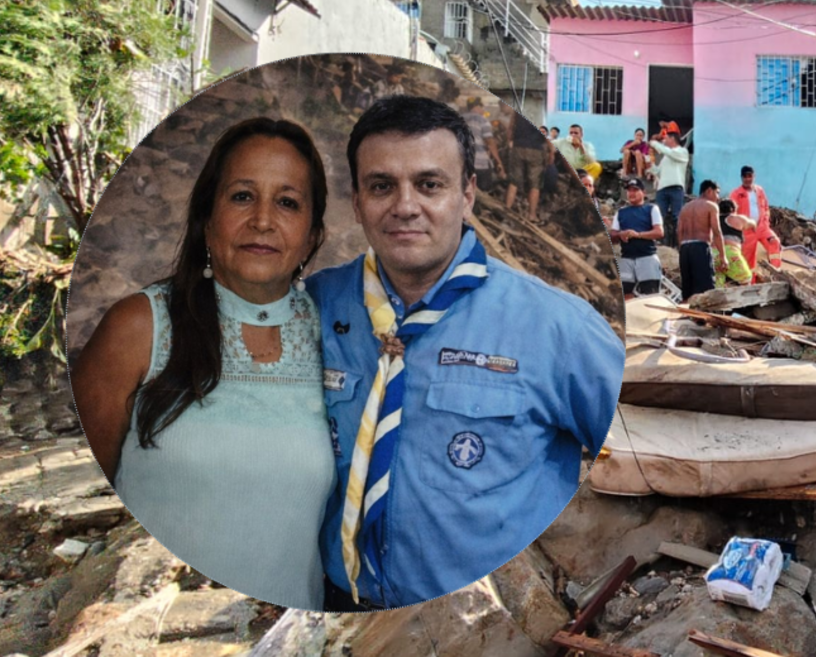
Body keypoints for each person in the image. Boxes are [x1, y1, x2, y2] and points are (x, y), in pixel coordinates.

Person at [306, 95, 623, 611]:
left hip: (486, 622)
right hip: (338, 605)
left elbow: (638, 462)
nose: (405, 205)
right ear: (357, 200)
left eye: (430, 184)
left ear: (467, 194)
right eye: (382, 186)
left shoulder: (555, 327)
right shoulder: (313, 307)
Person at [72, 118, 333, 610]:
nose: (262, 220)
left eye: (288, 202)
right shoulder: (140, 328)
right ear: (207, 219)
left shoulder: (339, 339)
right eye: (241, 196)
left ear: (312, 233)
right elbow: (93, 505)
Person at [609, 178, 664, 298]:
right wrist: (620, 234)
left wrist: (638, 235)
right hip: (627, 258)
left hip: (647, 257)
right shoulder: (621, 212)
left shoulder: (651, 209)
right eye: (629, 190)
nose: (631, 193)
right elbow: (612, 235)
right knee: (625, 294)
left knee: (650, 293)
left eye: (635, 190)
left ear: (643, 192)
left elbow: (659, 232)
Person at [675, 180, 728, 301]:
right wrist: (723, 256)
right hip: (700, 248)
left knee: (688, 290)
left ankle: (687, 316)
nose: (718, 197)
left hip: (684, 249)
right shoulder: (711, 206)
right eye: (717, 192)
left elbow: (679, 231)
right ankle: (704, 318)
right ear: (709, 190)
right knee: (705, 290)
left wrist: (682, 251)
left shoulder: (685, 208)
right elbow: (716, 231)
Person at [728, 165, 781, 278]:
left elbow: (766, 208)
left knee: (774, 242)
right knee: (748, 258)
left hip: (762, 227)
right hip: (746, 231)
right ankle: (750, 281)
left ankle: (776, 273)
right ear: (741, 178)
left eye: (750, 176)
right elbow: (731, 215)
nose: (748, 179)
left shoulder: (760, 191)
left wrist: (765, 223)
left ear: (754, 176)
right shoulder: (736, 194)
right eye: (745, 176)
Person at [505, 112, 549, 222]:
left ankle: (507, 211)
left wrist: (509, 142)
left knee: (514, 181)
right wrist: (551, 150)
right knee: (534, 184)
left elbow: (510, 127)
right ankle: (532, 215)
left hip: (518, 147)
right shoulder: (542, 110)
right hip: (536, 149)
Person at [648, 131, 690, 248]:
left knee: (677, 216)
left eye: (666, 138)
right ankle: (660, 242)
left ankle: (680, 243)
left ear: (672, 139)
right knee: (660, 216)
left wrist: (654, 143)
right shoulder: (666, 157)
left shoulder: (682, 152)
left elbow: (669, 152)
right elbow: (658, 172)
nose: (664, 141)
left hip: (676, 188)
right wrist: (650, 164)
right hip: (662, 189)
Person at [462, 97, 505, 192]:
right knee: (484, 190)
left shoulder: (459, 118)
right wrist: (498, 161)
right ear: (477, 106)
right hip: (479, 164)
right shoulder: (482, 120)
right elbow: (490, 142)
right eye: (482, 107)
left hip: (462, 163)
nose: (483, 110)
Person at [715, 199, 756, 288]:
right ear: (734, 209)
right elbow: (752, 224)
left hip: (713, 254)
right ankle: (745, 301)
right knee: (746, 279)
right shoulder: (736, 218)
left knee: (718, 284)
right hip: (730, 253)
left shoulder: (713, 221)